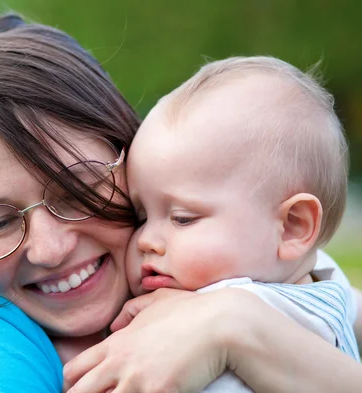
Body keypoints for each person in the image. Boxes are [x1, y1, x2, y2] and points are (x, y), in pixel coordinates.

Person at [0, 7, 362, 393]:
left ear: (127, 157)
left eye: (78, 187)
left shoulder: (277, 276)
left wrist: (234, 322)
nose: (50, 248)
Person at [122, 56, 360, 392]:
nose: (146, 239)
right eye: (141, 217)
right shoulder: (324, 280)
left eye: (182, 218)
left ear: (292, 227)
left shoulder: (242, 317)